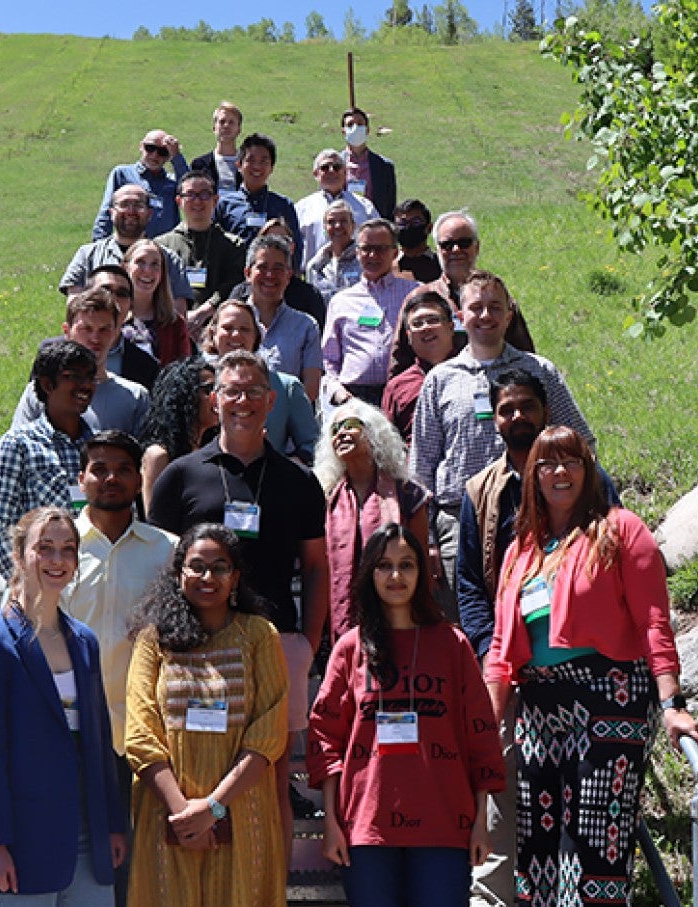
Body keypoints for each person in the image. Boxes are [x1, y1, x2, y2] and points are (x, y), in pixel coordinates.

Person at [486, 426, 698, 907]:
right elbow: (501, 646)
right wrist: (488, 720)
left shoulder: (622, 528)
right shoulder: (522, 551)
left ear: (588, 468)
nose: (559, 473)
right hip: (538, 708)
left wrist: (671, 703)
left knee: (593, 848)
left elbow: (654, 621)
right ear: (532, 476)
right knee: (537, 853)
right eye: (547, 464)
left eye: (571, 462)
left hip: (608, 701)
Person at [147, 350, 328, 873]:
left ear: (271, 401)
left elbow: (317, 568)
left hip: (277, 645)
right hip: (197, 648)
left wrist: (309, 644)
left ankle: (270, 894)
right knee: (198, 768)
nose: (242, 402)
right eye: (232, 391)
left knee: (271, 775)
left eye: (253, 391)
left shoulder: (297, 482)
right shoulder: (180, 477)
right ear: (215, 400)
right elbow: (163, 567)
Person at [456, 371, 620, 907]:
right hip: (507, 667)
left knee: (576, 794)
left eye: (527, 407)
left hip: (582, 674)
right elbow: (470, 586)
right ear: (494, 418)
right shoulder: (481, 491)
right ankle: (493, 904)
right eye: (507, 410)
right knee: (500, 780)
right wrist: (488, 653)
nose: (517, 418)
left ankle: (570, 906)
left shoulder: (595, 485)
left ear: (547, 412)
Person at [307, 523, 506, 907]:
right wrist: (331, 821)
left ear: (423, 572)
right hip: (366, 828)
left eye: (406, 565)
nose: (396, 576)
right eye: (384, 566)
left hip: (444, 824)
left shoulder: (453, 644)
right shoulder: (350, 648)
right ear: (369, 574)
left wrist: (481, 823)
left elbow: (481, 736)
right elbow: (325, 736)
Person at [0, 507, 127, 907]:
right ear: (19, 555)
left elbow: (98, 738)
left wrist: (111, 822)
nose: (57, 560)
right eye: (45, 548)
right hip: (22, 837)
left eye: (68, 550)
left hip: (87, 837)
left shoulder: (84, 640)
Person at [124, 523, 289, 907]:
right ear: (179, 574)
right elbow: (140, 733)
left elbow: (269, 733)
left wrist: (213, 807)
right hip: (167, 815)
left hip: (242, 810)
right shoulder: (154, 639)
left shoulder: (258, 635)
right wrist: (187, 817)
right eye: (196, 566)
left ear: (235, 577)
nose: (207, 577)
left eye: (219, 567)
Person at [411, 270, 594, 617]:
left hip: (536, 512)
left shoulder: (539, 371)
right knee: (467, 621)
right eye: (476, 307)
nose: (485, 316)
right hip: (457, 521)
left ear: (510, 314)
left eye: (495, 307)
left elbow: (582, 441)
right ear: (459, 316)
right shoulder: (439, 380)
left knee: (537, 616)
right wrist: (428, 541)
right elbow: (421, 469)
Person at [59, 432, 174, 907]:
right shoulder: (56, 547)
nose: (110, 478)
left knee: (137, 854)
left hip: (141, 734)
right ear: (81, 478)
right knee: (72, 848)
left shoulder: (165, 551)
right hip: (67, 730)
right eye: (99, 468)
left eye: (123, 469)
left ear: (138, 478)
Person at [0, 341, 97, 580]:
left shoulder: (99, 449)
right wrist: (29, 583)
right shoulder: (18, 445)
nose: (85, 385)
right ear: (47, 384)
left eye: (90, 377)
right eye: (73, 376)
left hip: (92, 588)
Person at [313, 400, 429, 643]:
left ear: (374, 432)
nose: (341, 433)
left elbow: (421, 563)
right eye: (335, 430)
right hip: (339, 623)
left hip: (400, 617)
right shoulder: (324, 498)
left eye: (350, 425)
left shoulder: (407, 494)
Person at [390, 210, 533, 376]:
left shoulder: (497, 296)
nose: (456, 250)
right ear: (438, 250)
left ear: (477, 247)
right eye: (447, 245)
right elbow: (400, 359)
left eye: (464, 243)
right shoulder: (419, 298)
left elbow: (524, 353)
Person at [12, 288, 149, 438]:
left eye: (104, 329)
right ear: (67, 331)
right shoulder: (43, 391)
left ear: (116, 333)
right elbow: (17, 444)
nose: (95, 338)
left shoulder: (135, 397)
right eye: (86, 328)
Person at [201, 299, 319, 464]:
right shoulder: (193, 384)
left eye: (245, 329)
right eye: (227, 328)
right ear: (213, 334)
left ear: (256, 336)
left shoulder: (286, 388)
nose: (236, 335)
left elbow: (313, 444)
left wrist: (290, 467)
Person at [322, 218, 418, 407]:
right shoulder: (341, 301)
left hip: (403, 393)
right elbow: (329, 360)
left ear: (395, 253)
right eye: (366, 249)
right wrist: (338, 392)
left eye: (381, 249)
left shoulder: (415, 293)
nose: (372, 255)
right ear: (357, 253)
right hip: (353, 396)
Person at [60, 184, 193, 307]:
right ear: (111, 212)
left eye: (138, 205)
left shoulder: (168, 258)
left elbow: (178, 312)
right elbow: (74, 308)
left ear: (149, 213)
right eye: (124, 204)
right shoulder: (87, 255)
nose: (130, 211)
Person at [155, 170, 246, 341]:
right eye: (190, 194)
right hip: (170, 330)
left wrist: (205, 311)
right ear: (179, 201)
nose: (197, 201)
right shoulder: (161, 245)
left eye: (205, 194)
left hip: (218, 331)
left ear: (215, 200)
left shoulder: (234, 245)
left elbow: (236, 284)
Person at [238, 234, 324, 402]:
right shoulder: (230, 323)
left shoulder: (306, 326)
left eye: (278, 268)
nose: (270, 275)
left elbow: (311, 391)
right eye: (262, 267)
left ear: (288, 275)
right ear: (248, 273)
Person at [137, 357, 219, 514]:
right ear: (184, 396)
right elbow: (155, 522)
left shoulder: (211, 449)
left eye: (219, 389)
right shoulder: (158, 455)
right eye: (209, 389)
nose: (217, 397)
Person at [381, 290, 461, 445]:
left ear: (451, 327)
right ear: (409, 336)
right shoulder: (397, 387)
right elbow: (388, 447)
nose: (426, 328)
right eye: (417, 324)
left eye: (433, 320)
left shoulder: (475, 375)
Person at [215, 132, 303, 266]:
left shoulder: (283, 205)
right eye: (251, 160)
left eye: (264, 161)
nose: (257, 166)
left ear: (271, 168)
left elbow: (296, 251)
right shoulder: (224, 204)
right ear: (239, 165)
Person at [230, 219, 327, 331]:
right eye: (269, 240)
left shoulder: (309, 296)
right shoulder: (240, 294)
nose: (270, 275)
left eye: (284, 240)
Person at [92, 129, 189, 240]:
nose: (155, 155)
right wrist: (99, 245)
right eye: (150, 148)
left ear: (168, 156)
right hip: (130, 246)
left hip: (166, 248)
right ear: (141, 147)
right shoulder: (122, 174)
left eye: (163, 152)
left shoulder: (173, 181)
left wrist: (177, 157)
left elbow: (191, 186)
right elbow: (106, 212)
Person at [295, 149, 378, 274]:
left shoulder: (365, 206)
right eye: (325, 167)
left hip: (357, 279)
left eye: (337, 167)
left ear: (345, 172)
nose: (331, 171)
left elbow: (378, 240)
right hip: (313, 278)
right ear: (316, 174)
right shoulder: (301, 208)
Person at [87, 265, 161, 391]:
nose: (113, 299)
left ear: (131, 305)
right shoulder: (54, 352)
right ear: (86, 296)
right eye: (105, 290)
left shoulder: (147, 366)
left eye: (122, 294)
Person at [122, 239, 191, 366]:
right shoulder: (111, 317)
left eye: (155, 264)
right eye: (140, 262)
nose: (147, 270)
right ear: (125, 267)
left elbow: (184, 374)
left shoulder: (175, 324)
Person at [340, 106, 397, 219]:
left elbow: (390, 207)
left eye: (360, 124)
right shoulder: (333, 166)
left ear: (367, 129)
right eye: (350, 125)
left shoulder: (384, 166)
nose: (355, 128)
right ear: (343, 131)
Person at [304, 199, 363, 307]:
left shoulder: (364, 261)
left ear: (353, 226)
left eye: (344, 221)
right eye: (331, 222)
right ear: (324, 228)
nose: (337, 226)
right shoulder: (315, 266)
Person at [190, 101, 243, 196]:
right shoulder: (200, 165)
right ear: (214, 128)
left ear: (239, 130)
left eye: (231, 122)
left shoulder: (248, 164)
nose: (226, 126)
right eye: (222, 122)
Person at [393, 198, 441, 283]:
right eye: (402, 224)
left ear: (429, 228)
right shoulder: (386, 266)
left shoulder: (442, 264)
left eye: (415, 222)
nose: (408, 227)